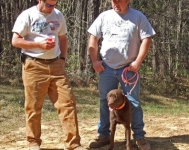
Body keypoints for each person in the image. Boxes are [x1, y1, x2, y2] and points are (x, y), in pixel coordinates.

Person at [12, 0, 86, 150]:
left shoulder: (58, 15)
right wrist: (39, 45)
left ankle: (73, 144)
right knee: (33, 106)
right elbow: (15, 41)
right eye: (48, 5)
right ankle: (33, 142)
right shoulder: (27, 15)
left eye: (54, 4)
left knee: (68, 103)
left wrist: (63, 59)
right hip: (34, 65)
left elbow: (63, 38)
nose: (52, 8)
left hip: (56, 65)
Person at [87, 0, 156, 150]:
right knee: (105, 102)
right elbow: (93, 38)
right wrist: (94, 61)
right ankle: (104, 135)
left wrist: (137, 62)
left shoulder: (138, 17)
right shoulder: (104, 17)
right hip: (106, 68)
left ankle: (139, 137)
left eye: (119, 0)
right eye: (113, 1)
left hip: (129, 69)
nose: (115, 3)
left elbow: (147, 39)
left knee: (134, 102)